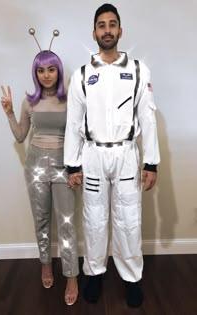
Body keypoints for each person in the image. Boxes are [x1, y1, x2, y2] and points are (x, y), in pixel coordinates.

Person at [64, 3, 160, 308]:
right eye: (102, 25)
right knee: (93, 219)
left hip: (126, 155)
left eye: (112, 24)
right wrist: (72, 164)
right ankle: (93, 273)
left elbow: (148, 116)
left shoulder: (137, 70)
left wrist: (151, 161)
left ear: (120, 30)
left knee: (129, 219)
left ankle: (132, 277)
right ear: (94, 33)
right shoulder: (81, 75)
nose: (107, 30)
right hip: (93, 154)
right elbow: (73, 122)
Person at [0, 49, 79, 306]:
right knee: (42, 219)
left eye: (51, 69)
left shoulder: (71, 100)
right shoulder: (28, 101)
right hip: (35, 167)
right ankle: (45, 264)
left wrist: (78, 169)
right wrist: (10, 112)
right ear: (36, 74)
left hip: (63, 167)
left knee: (66, 223)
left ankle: (71, 275)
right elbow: (21, 136)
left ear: (58, 71)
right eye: (40, 70)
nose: (46, 75)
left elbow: (79, 138)